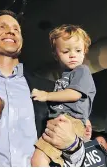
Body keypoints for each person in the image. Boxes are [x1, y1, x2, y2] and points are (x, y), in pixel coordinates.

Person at [0, 10, 87, 167]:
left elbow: (78, 147)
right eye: (2, 27)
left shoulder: (52, 90)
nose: (11, 31)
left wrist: (72, 145)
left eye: (16, 29)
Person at [31, 24, 96, 166]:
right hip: (64, 121)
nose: (73, 55)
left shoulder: (81, 71)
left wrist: (46, 95)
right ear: (56, 54)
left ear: (84, 51)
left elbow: (75, 95)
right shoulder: (65, 78)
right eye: (66, 51)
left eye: (78, 50)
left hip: (69, 121)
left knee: (38, 160)